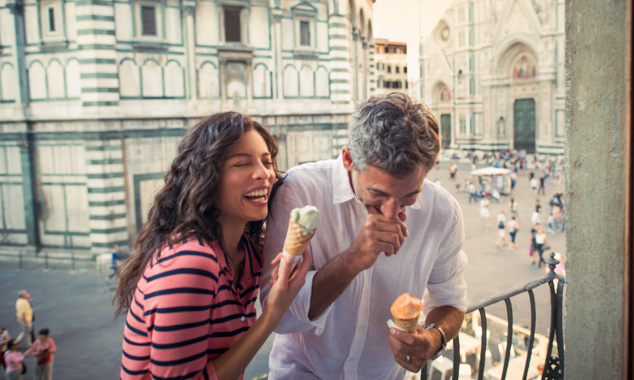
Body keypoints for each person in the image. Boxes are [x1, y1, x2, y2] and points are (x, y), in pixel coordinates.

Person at [261, 93, 468, 377]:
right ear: (348, 159)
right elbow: (277, 316)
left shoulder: (442, 212)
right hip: (302, 371)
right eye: (378, 194)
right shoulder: (299, 191)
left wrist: (435, 337)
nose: (392, 212)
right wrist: (353, 259)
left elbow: (450, 300)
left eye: (410, 196)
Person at [113, 112, 311, 380]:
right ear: (206, 177)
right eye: (242, 163)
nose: (264, 174)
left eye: (267, 162)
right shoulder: (191, 264)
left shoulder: (249, 252)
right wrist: (272, 314)